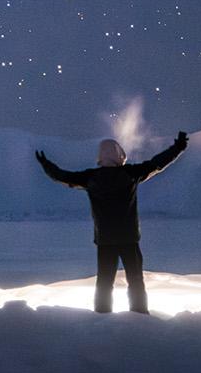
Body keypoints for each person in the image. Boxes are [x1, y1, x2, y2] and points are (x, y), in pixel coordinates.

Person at [35, 131, 188, 314]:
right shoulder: (130, 173)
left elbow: (63, 176)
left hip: (105, 240)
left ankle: (102, 315)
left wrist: (46, 165)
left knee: (104, 282)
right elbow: (157, 164)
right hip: (129, 238)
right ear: (119, 155)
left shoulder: (91, 177)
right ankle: (139, 315)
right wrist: (177, 148)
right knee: (135, 280)